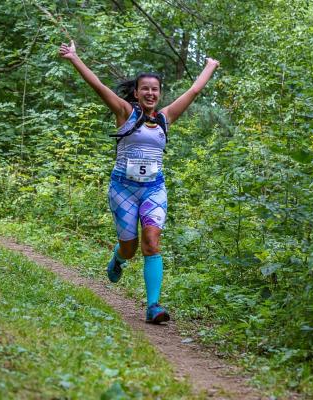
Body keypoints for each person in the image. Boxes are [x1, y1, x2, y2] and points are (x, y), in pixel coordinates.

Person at [59, 39, 219, 324]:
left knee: (152, 242)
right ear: (136, 92)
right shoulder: (124, 112)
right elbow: (99, 87)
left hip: (154, 188)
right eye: (145, 88)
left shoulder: (166, 118)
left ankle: (153, 306)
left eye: (154, 89)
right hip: (123, 187)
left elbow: (194, 91)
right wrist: (74, 58)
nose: (150, 93)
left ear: (159, 94)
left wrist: (209, 66)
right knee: (130, 249)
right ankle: (118, 258)